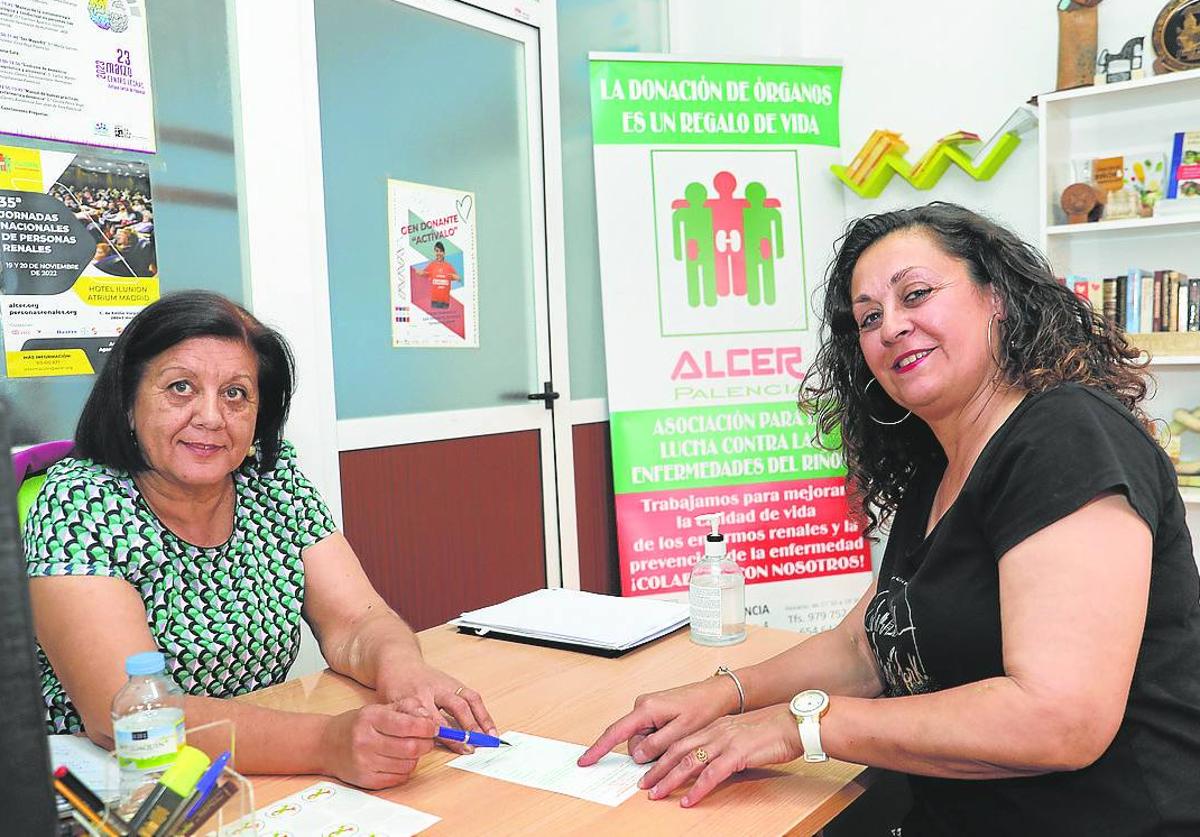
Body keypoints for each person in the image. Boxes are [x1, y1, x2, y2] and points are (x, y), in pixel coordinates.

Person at [579, 203, 1200, 834]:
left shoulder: (1066, 434)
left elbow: (1060, 720)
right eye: (869, 317)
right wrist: (720, 694)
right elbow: (867, 648)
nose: (892, 327)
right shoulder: (942, 464)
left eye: (917, 294)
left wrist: (803, 725)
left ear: (998, 299)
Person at [24, 291, 497, 790]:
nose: (211, 417)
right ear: (127, 403)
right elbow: (131, 714)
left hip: (255, 771)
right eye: (181, 388)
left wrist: (404, 671)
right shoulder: (79, 502)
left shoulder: (270, 479)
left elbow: (357, 621)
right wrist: (327, 743)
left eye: (235, 394)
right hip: (124, 783)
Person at [419, 241, 459, 309]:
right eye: (437, 251)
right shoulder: (432, 265)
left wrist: (456, 278)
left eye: (441, 251)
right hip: (434, 301)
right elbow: (423, 273)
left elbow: (458, 278)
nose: (439, 253)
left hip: (445, 301)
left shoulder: (448, 266)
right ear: (435, 252)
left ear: (444, 253)